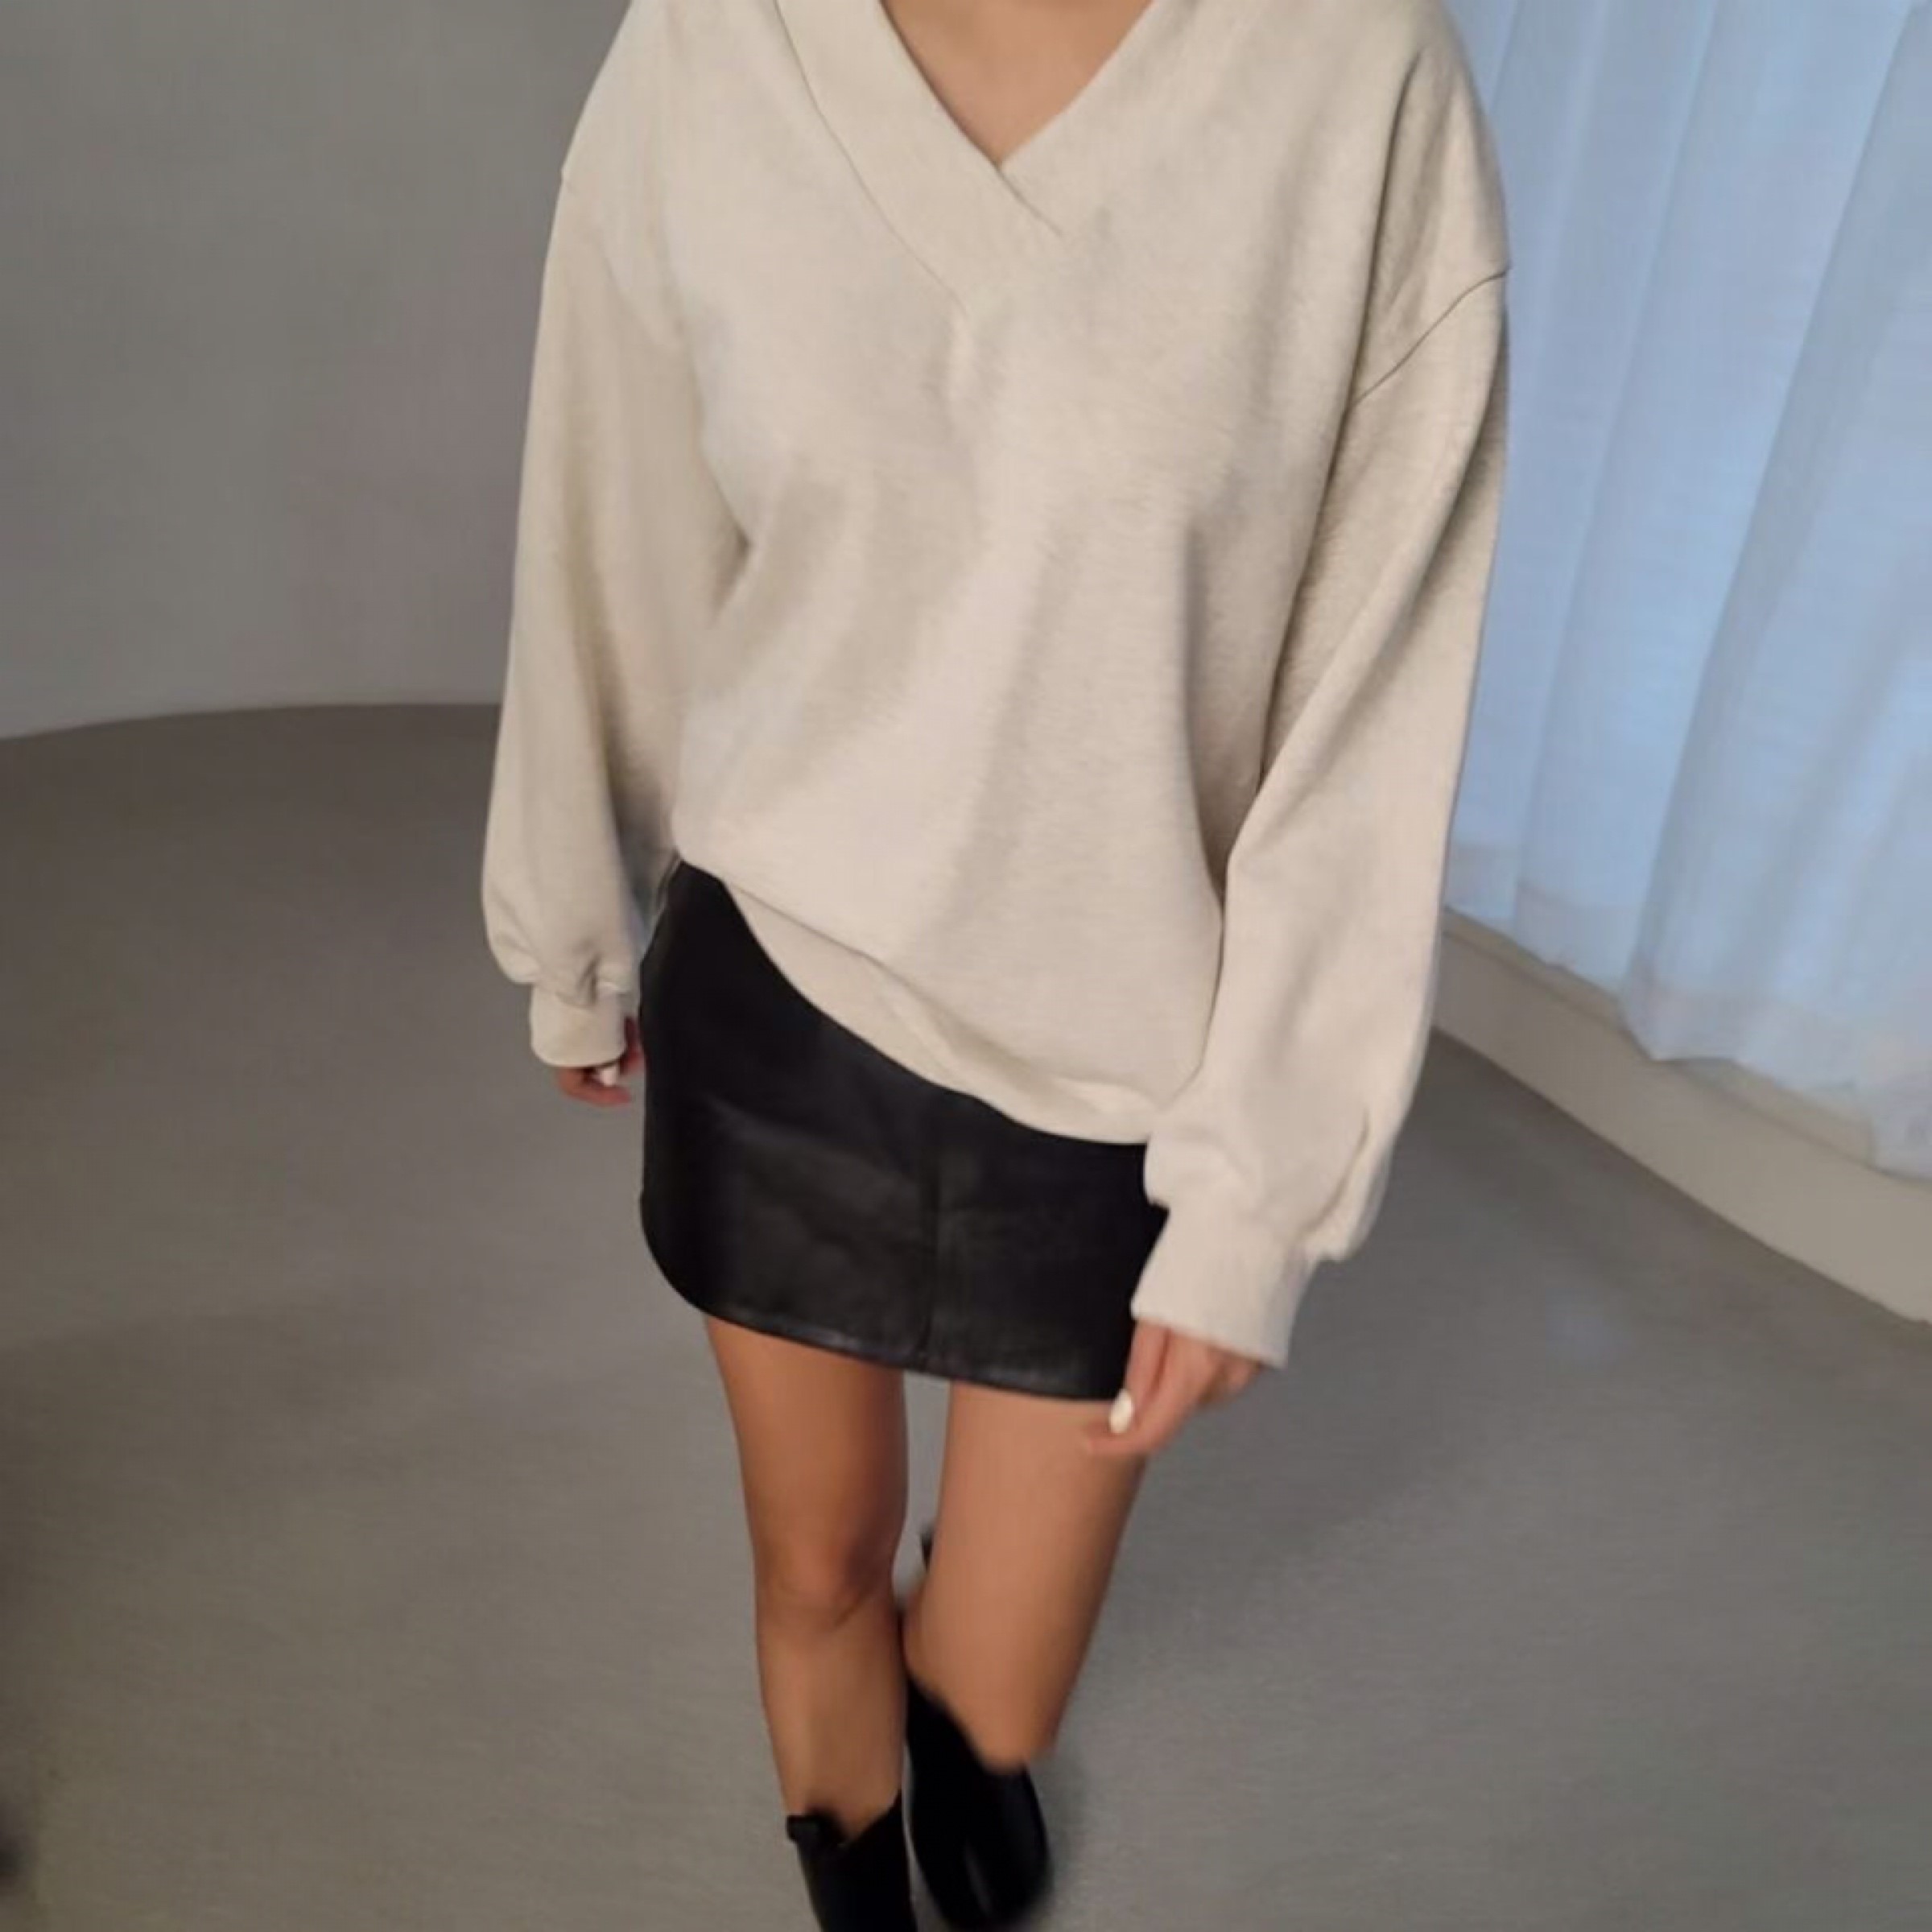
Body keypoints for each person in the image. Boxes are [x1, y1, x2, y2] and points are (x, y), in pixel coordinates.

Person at [483, 0, 1508, 1922]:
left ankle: (961, 1724)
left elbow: (1370, 704)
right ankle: (845, 1841)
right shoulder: (713, 47)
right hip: (782, 996)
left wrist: (1262, 1189)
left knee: (1003, 1681)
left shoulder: (1355, 72)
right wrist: (573, 922)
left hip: (1124, 1039)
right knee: (814, 1567)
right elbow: (611, 522)